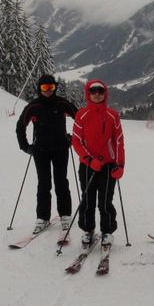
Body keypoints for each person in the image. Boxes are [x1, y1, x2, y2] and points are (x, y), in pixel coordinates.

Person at [16, 74, 78, 234]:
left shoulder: (62, 103)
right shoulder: (33, 106)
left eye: (51, 87)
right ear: (39, 88)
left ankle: (65, 215)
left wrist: (73, 138)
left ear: (55, 88)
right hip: (40, 151)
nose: (48, 91)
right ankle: (43, 217)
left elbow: (80, 119)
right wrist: (25, 146)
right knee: (44, 183)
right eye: (45, 87)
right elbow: (20, 126)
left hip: (60, 149)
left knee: (61, 182)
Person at [71, 80, 125, 249]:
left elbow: (118, 141)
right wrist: (88, 160)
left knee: (105, 201)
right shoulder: (81, 115)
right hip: (88, 165)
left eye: (100, 91)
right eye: (93, 91)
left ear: (105, 93)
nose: (97, 94)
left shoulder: (112, 115)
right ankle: (88, 230)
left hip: (108, 166)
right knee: (88, 200)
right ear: (88, 93)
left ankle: (107, 231)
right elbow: (76, 141)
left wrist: (120, 165)